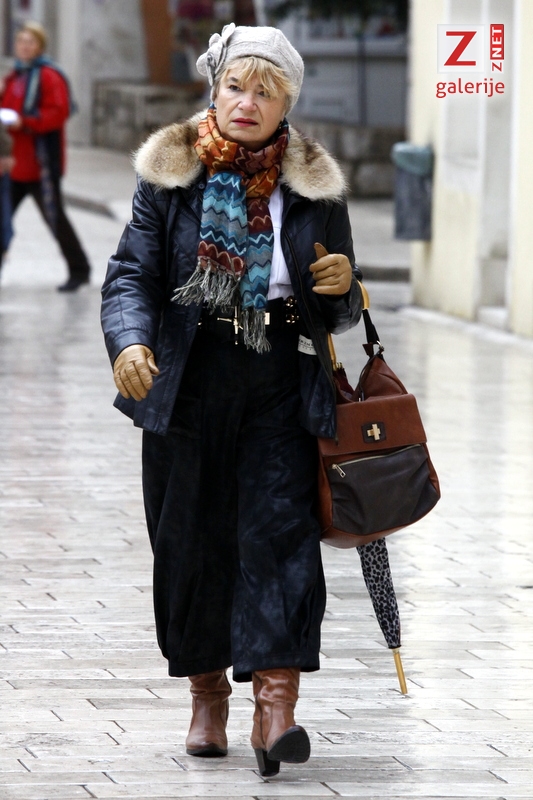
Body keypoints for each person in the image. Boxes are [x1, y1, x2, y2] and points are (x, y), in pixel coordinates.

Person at [101, 23, 362, 776]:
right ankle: (207, 694)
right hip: (187, 377)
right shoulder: (169, 176)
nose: (247, 103)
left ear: (287, 104)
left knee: (280, 534)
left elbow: (339, 306)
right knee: (188, 538)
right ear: (214, 90)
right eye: (235, 87)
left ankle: (276, 708)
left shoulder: (313, 185)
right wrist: (130, 343)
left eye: (265, 92)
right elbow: (131, 274)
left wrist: (343, 288)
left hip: (280, 379)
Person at [0, 21, 91, 291]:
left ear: (40, 46)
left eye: (30, 42)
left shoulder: (49, 76)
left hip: (41, 165)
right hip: (13, 164)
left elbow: (58, 112)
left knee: (56, 219)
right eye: (21, 41)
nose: (24, 47)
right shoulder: (15, 75)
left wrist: (25, 122)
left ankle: (80, 270)